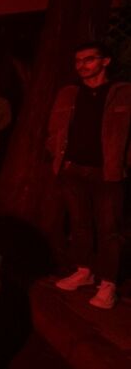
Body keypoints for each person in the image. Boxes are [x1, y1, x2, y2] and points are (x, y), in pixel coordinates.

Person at [48, 42, 131, 309]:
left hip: (107, 171)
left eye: (89, 60)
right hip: (73, 169)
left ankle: (109, 284)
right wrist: (56, 154)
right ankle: (84, 271)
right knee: (80, 224)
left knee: (109, 229)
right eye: (78, 61)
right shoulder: (69, 94)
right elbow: (55, 128)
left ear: (105, 61)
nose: (82, 66)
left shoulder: (123, 93)